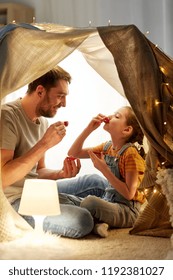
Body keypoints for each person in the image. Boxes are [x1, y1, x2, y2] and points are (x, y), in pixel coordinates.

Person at [0, 66, 107, 239]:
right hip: (15, 201)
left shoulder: (41, 122)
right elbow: (3, 177)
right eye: (60, 96)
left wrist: (61, 173)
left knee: (96, 182)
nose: (64, 104)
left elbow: (38, 171)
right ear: (40, 91)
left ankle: (102, 213)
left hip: (37, 190)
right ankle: (101, 215)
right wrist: (44, 144)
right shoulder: (6, 116)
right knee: (81, 219)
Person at [66, 106, 146, 237]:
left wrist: (104, 169)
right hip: (108, 201)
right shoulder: (107, 147)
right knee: (63, 198)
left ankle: (95, 222)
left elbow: (129, 194)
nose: (109, 116)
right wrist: (88, 129)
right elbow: (73, 152)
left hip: (127, 211)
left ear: (127, 130)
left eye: (116, 116)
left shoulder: (131, 154)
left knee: (90, 202)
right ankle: (98, 224)